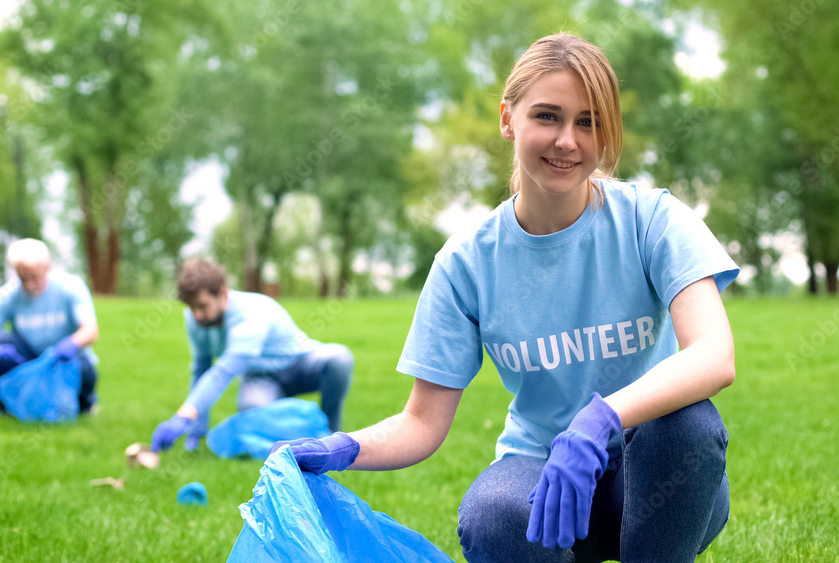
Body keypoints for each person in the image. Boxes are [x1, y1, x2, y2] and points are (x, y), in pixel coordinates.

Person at [275, 33, 739, 563]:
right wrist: (343, 446)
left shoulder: (651, 219)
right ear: (507, 119)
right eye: (547, 116)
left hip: (650, 486)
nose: (567, 140)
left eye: (588, 122)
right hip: (542, 488)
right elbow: (422, 422)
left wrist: (599, 420)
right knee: (493, 513)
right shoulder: (467, 262)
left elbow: (713, 354)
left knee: (689, 424)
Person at [151, 257, 354, 452]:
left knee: (339, 359)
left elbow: (222, 373)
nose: (197, 315)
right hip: (261, 377)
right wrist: (196, 431)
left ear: (222, 293)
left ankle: (332, 437)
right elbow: (202, 368)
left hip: (300, 364)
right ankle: (297, 440)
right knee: (252, 412)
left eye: (202, 306)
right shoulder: (195, 318)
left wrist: (183, 416)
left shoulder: (249, 315)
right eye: (191, 307)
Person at [0, 238, 99, 414]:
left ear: (47, 267)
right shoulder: (9, 294)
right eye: (23, 278)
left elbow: (91, 331)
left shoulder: (71, 287)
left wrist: (72, 343)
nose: (29, 285)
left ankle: (84, 405)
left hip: (63, 359)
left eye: (34, 277)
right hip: (28, 359)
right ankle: (8, 407)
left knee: (83, 361)